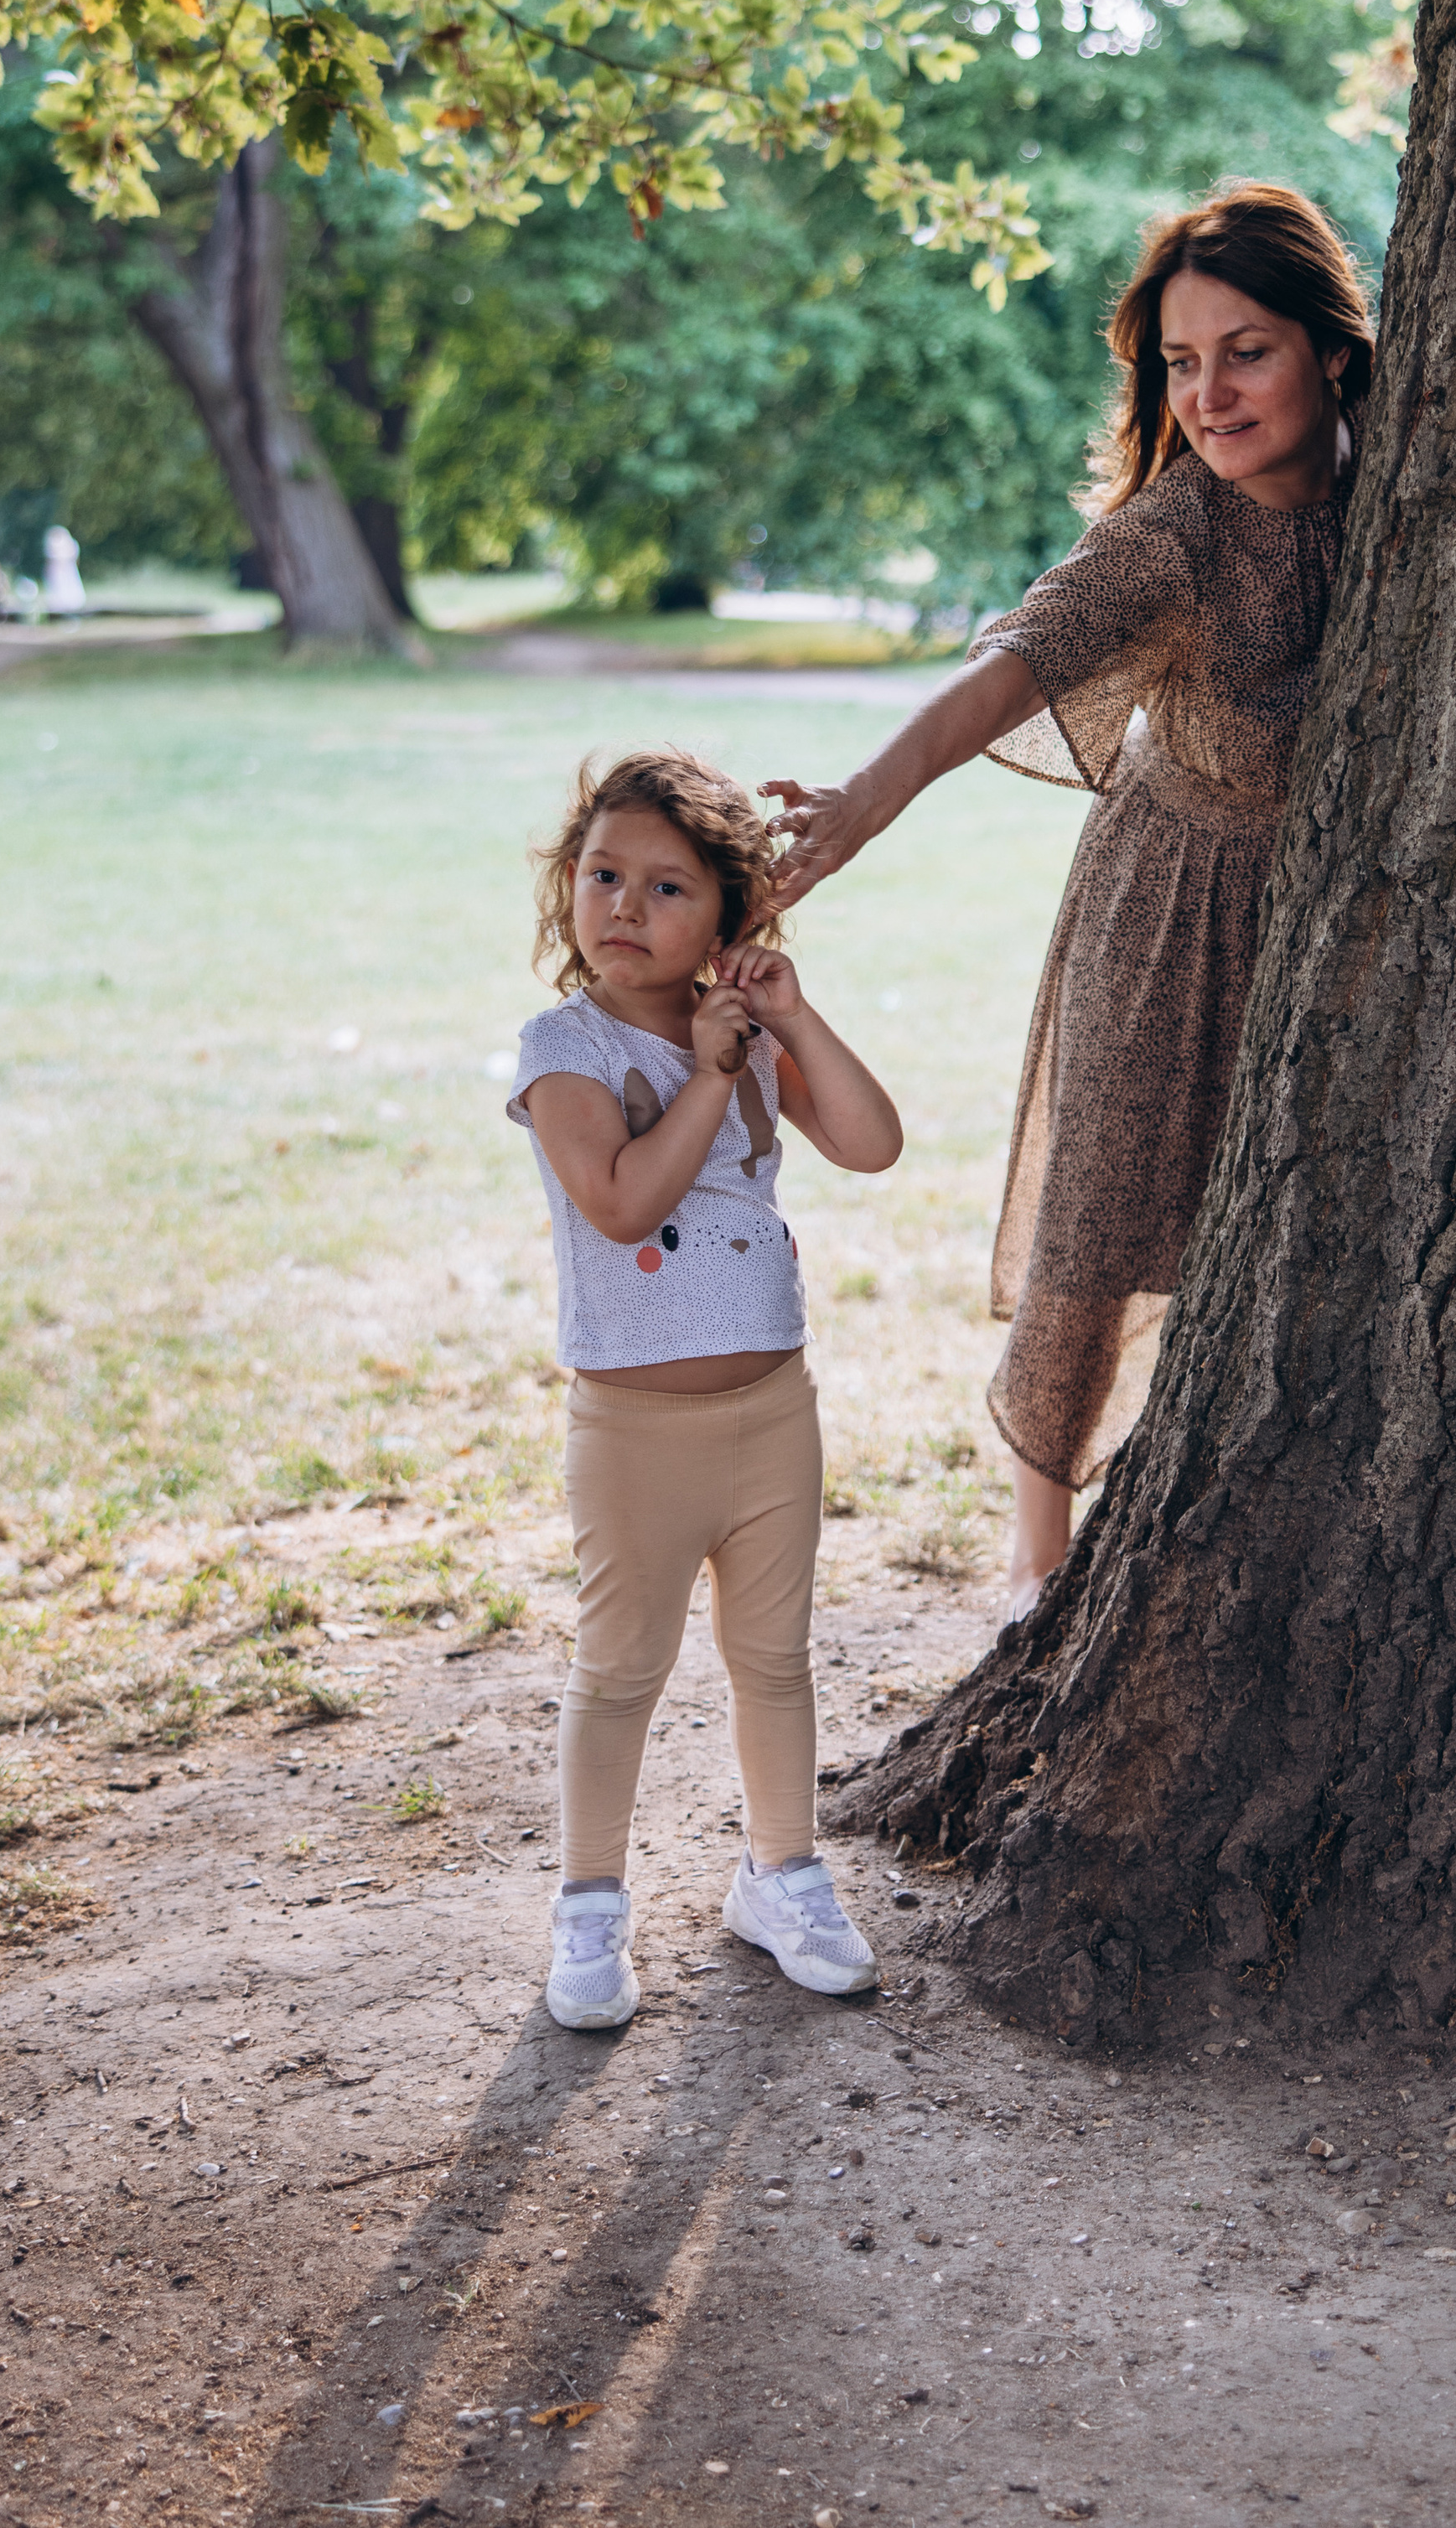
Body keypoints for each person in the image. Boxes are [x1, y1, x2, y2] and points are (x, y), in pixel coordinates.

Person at [764, 180, 1372, 1614]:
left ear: (1334, 350)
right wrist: (861, 802)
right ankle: (1037, 1564)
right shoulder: (1173, 535)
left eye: (1247, 353)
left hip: (1333, 923)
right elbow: (1011, 668)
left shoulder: (1413, 476)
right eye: (1181, 362)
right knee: (1102, 1214)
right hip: (1168, 905)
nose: (1209, 396)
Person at [508, 745, 905, 2030]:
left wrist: (790, 1018)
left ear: (729, 920)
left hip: (773, 1412)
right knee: (622, 1666)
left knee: (772, 1657)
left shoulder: (746, 1029)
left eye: (668, 888)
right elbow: (624, 1199)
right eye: (603, 875)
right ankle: (589, 1902)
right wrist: (715, 1073)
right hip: (634, 1426)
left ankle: (781, 1874)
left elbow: (872, 1142)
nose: (625, 906)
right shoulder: (562, 1050)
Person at [41, 525, 85, 619]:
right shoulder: (63, 545)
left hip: (64, 572)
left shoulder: (69, 544)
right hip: (58, 573)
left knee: (68, 591)